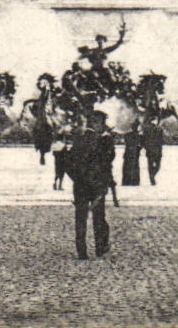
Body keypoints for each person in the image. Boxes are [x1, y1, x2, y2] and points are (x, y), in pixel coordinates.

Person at [62, 111, 116, 259]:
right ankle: (100, 248)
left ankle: (82, 251)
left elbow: (67, 162)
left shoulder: (78, 139)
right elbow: (108, 162)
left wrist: (77, 179)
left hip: (80, 185)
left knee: (80, 217)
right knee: (99, 217)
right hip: (97, 184)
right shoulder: (105, 141)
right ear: (99, 124)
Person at [141, 114, 165, 186]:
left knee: (155, 166)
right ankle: (152, 179)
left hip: (155, 150)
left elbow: (161, 140)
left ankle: (152, 176)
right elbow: (144, 139)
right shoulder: (148, 130)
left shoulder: (159, 129)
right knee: (153, 165)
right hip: (152, 150)